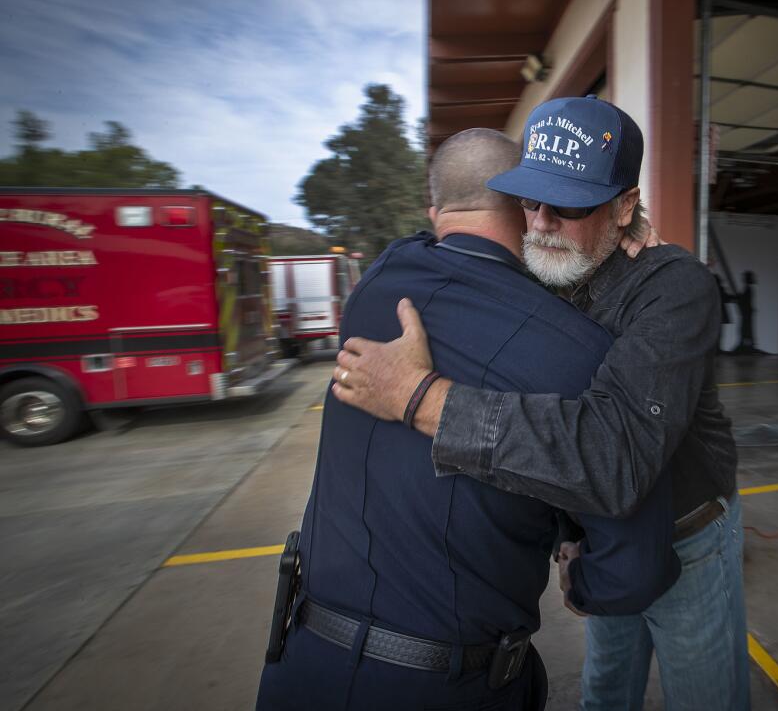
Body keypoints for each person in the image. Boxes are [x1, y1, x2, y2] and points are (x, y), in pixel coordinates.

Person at [333, 97, 748, 710]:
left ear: (624, 204)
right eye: (531, 200)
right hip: (602, 542)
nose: (543, 222)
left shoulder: (676, 288)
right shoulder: (543, 272)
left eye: (571, 204)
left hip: (688, 541)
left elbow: (614, 454)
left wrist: (418, 397)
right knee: (605, 689)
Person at [256, 128, 680, 711]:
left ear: (436, 213)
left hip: (299, 667)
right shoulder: (578, 352)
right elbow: (635, 561)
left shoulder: (376, 288)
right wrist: (586, 584)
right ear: (526, 204)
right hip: (446, 687)